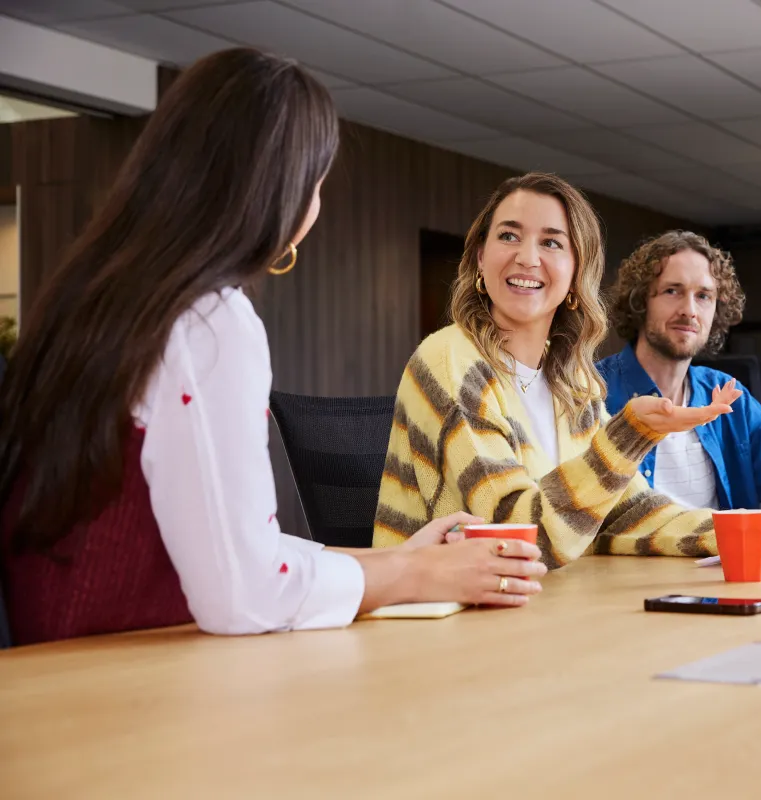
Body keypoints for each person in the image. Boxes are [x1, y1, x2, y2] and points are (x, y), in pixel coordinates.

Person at [0, 49, 545, 647]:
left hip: (58, 658)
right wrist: (417, 576)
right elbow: (242, 594)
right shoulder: (210, 322)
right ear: (282, 189)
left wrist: (394, 561)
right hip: (124, 674)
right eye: (318, 182)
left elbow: (225, 545)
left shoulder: (99, 297)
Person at [374, 174, 761, 568]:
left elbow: (622, 514)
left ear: (576, 273)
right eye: (509, 236)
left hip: (546, 606)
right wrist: (628, 435)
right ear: (479, 258)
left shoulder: (572, 380)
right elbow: (520, 537)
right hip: (443, 618)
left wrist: (737, 531)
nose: (527, 257)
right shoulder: (451, 360)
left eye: (551, 242)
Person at [597, 231, 761, 534]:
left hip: (725, 562)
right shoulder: (591, 392)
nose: (690, 310)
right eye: (672, 291)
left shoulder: (731, 397)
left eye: (703, 296)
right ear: (640, 300)